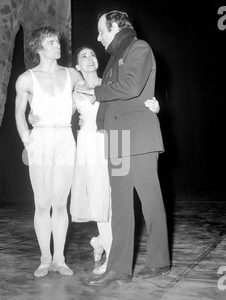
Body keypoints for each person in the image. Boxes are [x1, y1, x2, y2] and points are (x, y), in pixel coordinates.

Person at [75, 10, 171, 286]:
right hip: (117, 139)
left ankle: (159, 261)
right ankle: (118, 268)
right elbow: (111, 98)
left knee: (150, 202)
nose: (98, 37)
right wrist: (103, 124)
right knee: (120, 206)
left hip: (139, 138)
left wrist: (95, 91)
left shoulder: (139, 48)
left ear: (115, 26)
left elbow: (129, 86)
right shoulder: (114, 57)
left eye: (101, 30)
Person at [15, 26, 82, 278]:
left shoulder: (72, 74)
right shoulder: (26, 79)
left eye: (58, 41)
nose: (59, 46)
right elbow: (19, 113)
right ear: (39, 48)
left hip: (66, 137)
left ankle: (59, 259)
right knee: (42, 203)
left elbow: (92, 92)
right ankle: (44, 258)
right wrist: (27, 141)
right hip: (40, 138)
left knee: (60, 203)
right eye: (52, 42)